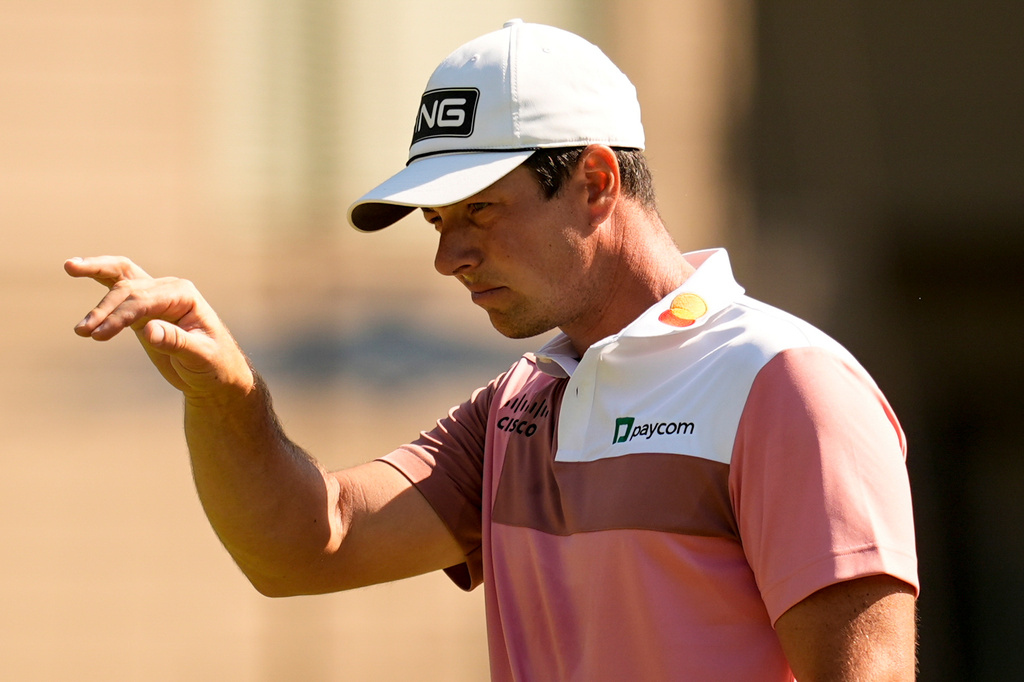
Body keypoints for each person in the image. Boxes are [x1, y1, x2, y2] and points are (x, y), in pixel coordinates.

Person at [67, 19, 918, 681]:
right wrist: (227, 396)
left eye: (477, 210)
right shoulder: (520, 402)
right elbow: (305, 544)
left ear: (594, 180)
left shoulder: (784, 383)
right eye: (438, 223)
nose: (448, 257)